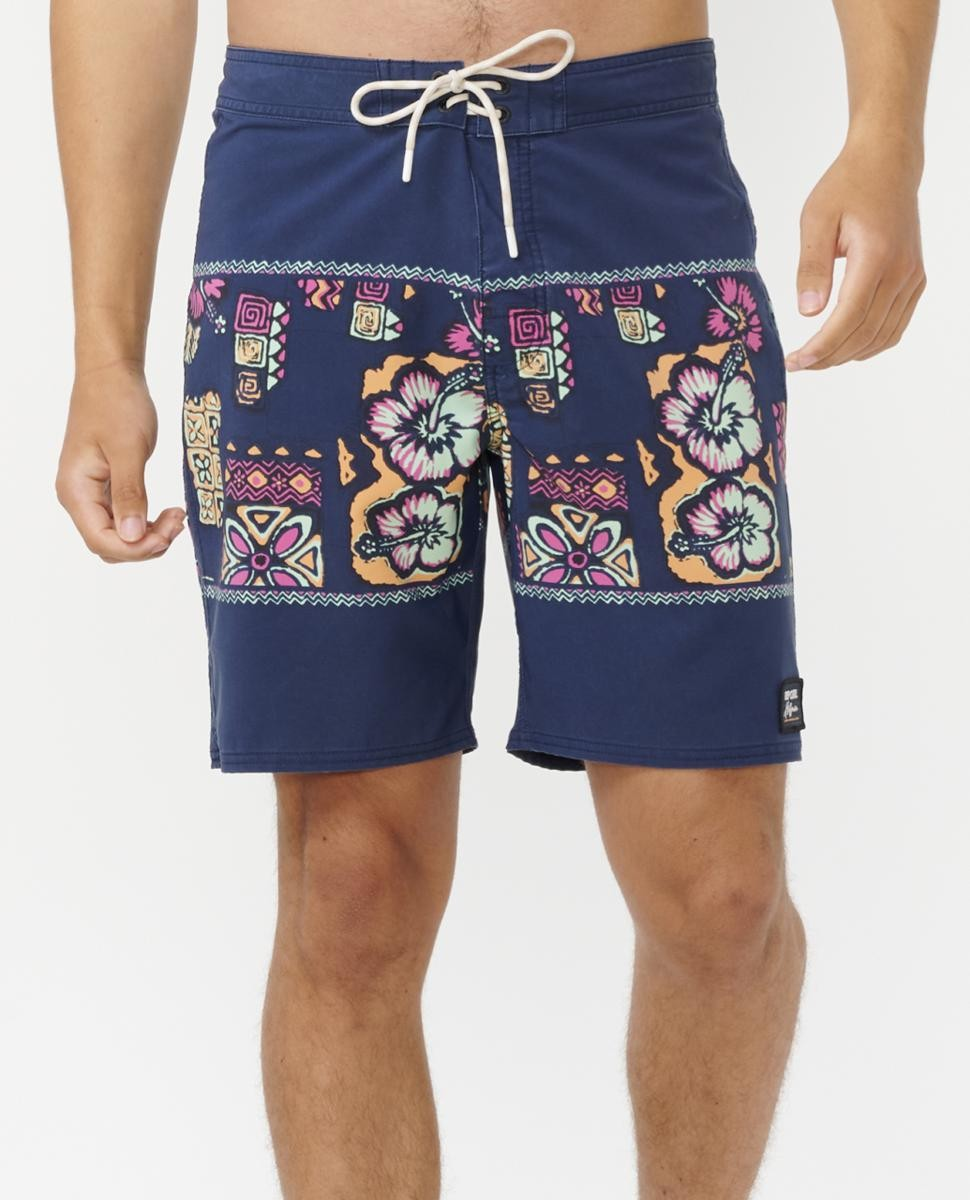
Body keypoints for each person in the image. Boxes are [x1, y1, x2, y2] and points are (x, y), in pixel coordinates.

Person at [50, 1, 936, 1197]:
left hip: (635, 179)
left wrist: (887, 136)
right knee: (351, 890)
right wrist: (103, 350)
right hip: (311, 196)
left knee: (722, 894)